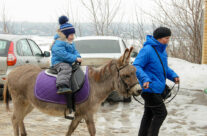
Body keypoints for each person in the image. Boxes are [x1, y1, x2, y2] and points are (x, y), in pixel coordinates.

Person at [133, 27, 179, 136]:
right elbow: (136, 66)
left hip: (157, 88)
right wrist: (145, 79)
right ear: (159, 38)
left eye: (169, 38)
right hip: (149, 88)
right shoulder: (147, 50)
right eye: (166, 38)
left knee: (148, 114)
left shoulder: (162, 51)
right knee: (161, 113)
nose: (168, 40)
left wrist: (173, 76)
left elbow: (164, 68)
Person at [51, 15, 82, 94]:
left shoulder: (70, 42)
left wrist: (78, 57)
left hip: (66, 61)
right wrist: (75, 58)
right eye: (71, 35)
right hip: (58, 62)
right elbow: (62, 54)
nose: (73, 37)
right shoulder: (59, 42)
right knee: (66, 68)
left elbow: (75, 51)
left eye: (73, 34)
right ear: (65, 34)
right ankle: (62, 86)